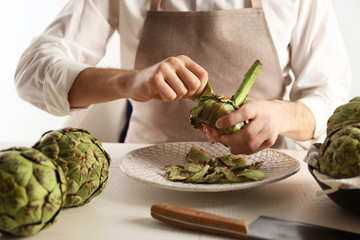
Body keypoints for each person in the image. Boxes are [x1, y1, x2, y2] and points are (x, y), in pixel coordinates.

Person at [15, 0, 351, 154]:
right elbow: (32, 70)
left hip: (268, 176)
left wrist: (281, 115)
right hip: (145, 174)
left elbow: (332, 95)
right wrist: (128, 81)